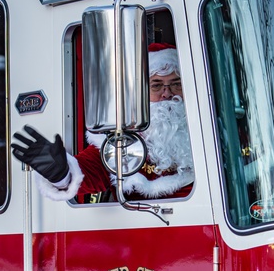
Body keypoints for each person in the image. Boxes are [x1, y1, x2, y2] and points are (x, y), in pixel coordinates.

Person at [11, 44, 195, 202]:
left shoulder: (210, 128)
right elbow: (89, 172)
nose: (167, 94)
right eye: (156, 85)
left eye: (176, 84)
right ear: (141, 93)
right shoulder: (123, 141)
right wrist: (60, 173)